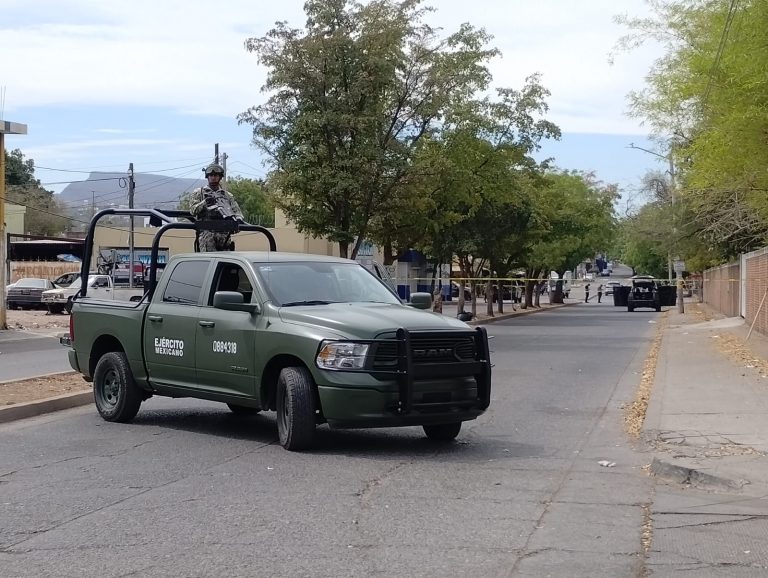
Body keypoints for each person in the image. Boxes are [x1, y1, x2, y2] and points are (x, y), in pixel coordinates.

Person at [190, 163, 245, 251]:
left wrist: (238, 220)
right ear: (207, 177)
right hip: (207, 234)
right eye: (211, 175)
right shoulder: (199, 193)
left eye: (216, 175)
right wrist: (205, 203)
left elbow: (237, 211)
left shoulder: (227, 195)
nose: (213, 177)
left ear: (220, 177)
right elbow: (193, 211)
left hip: (224, 235)